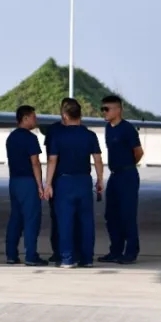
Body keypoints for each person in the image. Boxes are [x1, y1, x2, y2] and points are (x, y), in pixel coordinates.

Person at [43, 98, 103, 268]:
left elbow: (52, 160)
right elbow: (98, 159)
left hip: (64, 181)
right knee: (86, 221)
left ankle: (68, 258)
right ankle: (87, 259)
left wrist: (48, 184)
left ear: (65, 115)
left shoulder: (58, 136)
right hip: (84, 180)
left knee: (65, 221)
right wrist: (99, 179)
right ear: (80, 115)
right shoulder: (90, 135)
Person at [98, 94, 144, 264]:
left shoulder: (128, 129)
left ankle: (131, 252)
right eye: (102, 109)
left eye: (107, 109)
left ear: (118, 110)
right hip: (115, 175)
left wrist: (128, 166)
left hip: (127, 175)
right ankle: (115, 250)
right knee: (111, 215)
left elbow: (138, 152)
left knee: (127, 215)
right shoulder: (108, 128)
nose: (104, 112)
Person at [5, 105, 47, 266]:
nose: (35, 120)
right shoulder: (30, 138)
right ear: (26, 118)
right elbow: (35, 162)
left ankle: (11, 254)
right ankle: (30, 255)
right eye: (33, 117)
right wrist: (40, 185)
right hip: (28, 182)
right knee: (31, 220)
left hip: (14, 181)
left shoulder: (11, 137)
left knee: (15, 218)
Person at [42, 98, 74, 265]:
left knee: (60, 218)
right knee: (65, 218)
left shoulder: (54, 131)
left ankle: (61, 252)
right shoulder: (82, 132)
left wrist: (48, 183)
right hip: (64, 179)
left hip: (59, 180)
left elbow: (51, 158)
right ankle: (65, 252)